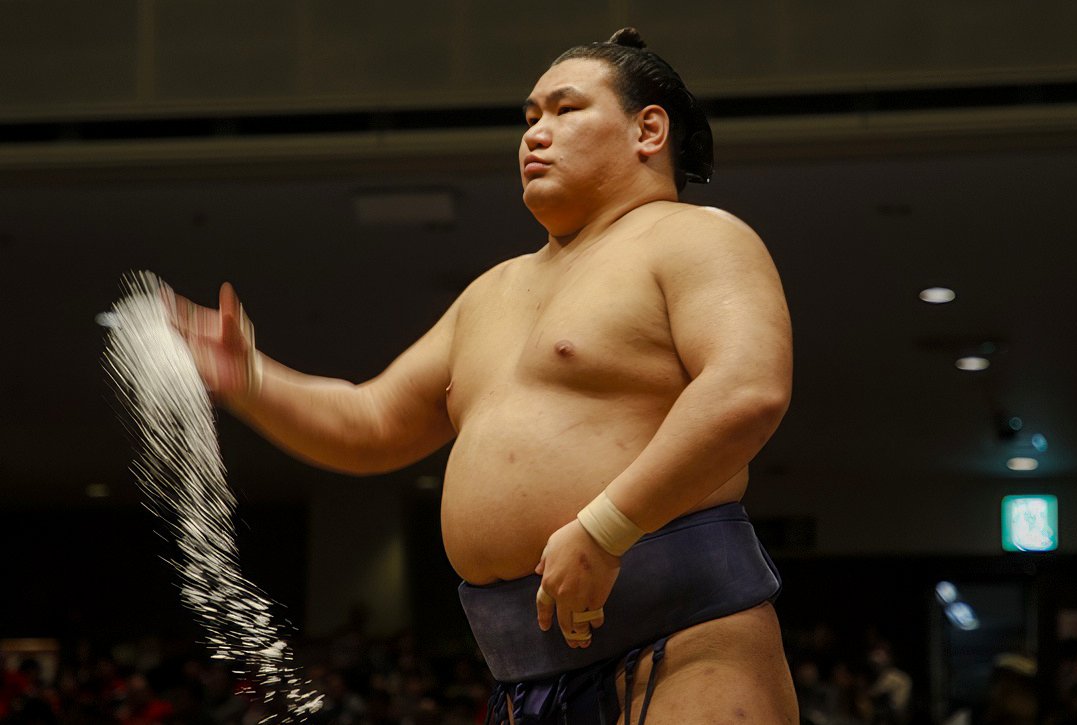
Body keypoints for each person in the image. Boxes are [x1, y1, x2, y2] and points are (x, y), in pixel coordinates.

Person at [172, 27, 795, 725]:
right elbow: (371, 423)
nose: (535, 134)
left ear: (648, 129)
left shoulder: (696, 238)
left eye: (565, 110)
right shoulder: (491, 292)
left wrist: (606, 527)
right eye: (529, 118)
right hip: (521, 675)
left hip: (687, 644)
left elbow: (746, 391)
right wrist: (251, 378)